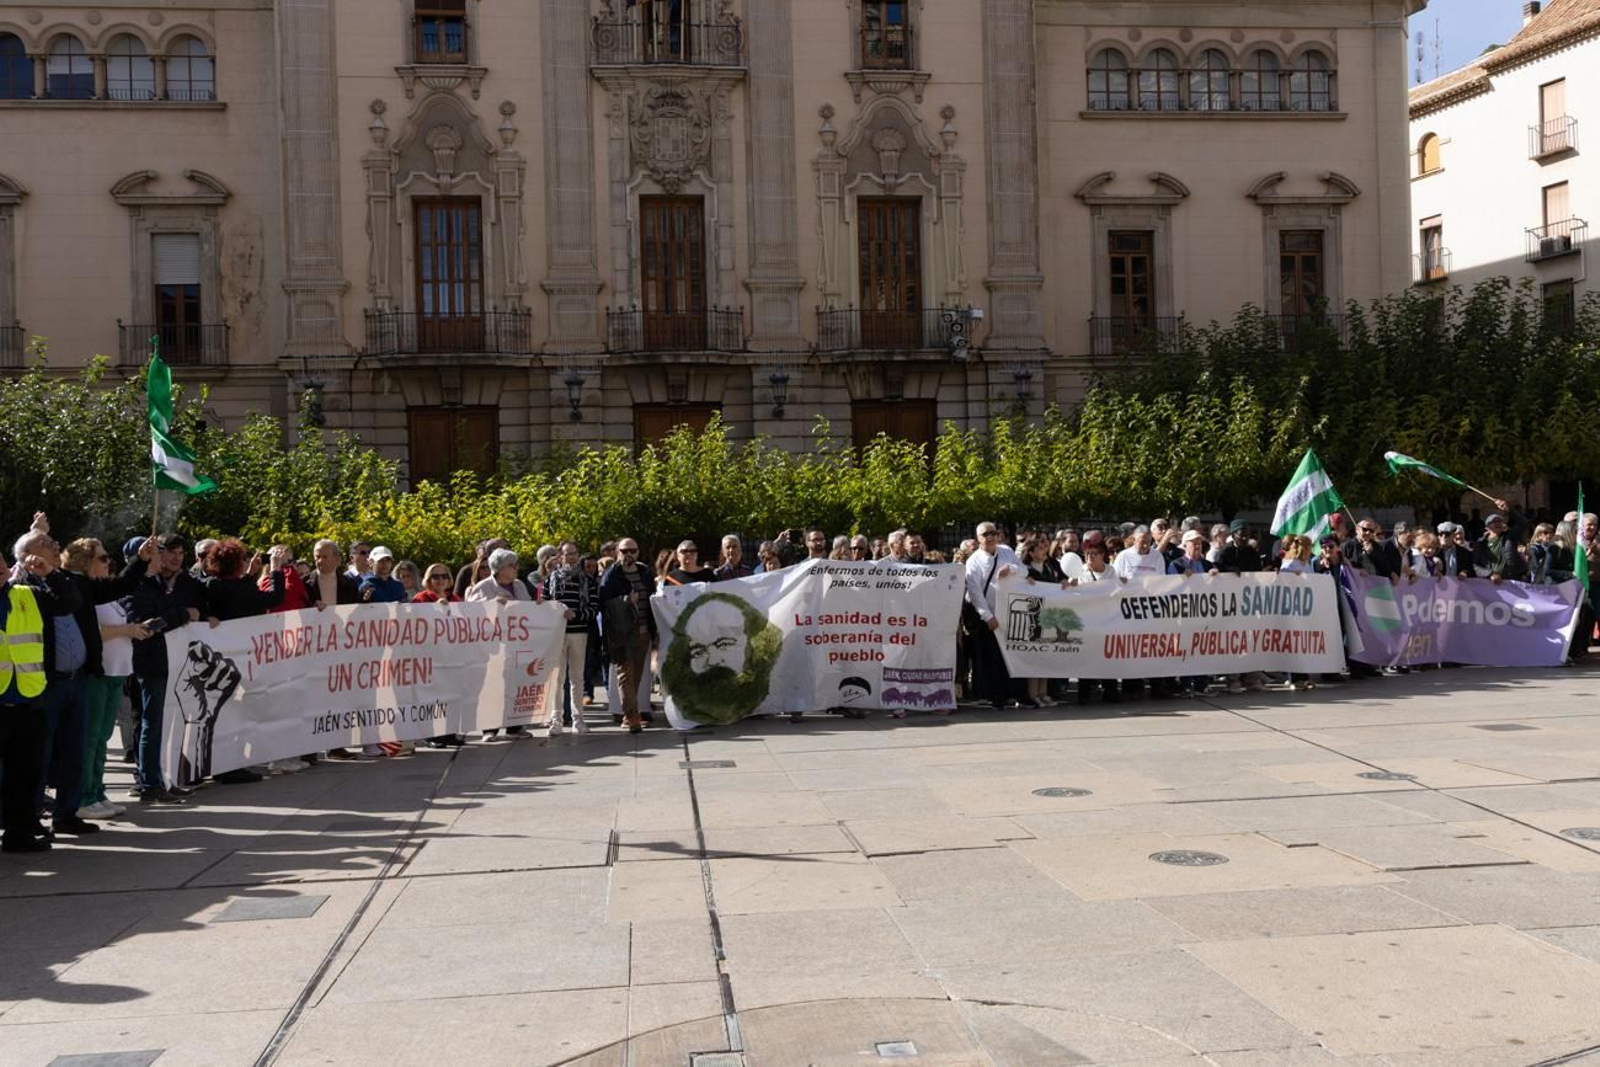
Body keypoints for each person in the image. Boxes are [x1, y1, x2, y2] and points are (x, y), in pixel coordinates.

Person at [62, 536, 152, 820]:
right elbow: (96, 631)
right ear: (85, 561)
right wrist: (126, 630)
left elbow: (120, 585)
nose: (108, 562)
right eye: (102, 558)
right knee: (90, 739)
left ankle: (97, 793)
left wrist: (140, 560)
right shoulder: (74, 585)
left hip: (111, 671)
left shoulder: (90, 588)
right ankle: (84, 796)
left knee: (100, 737)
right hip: (92, 674)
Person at [126, 534, 210, 802]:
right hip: (151, 664)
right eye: (168, 552)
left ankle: (165, 777)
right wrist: (183, 614)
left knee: (169, 724)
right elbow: (147, 626)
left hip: (173, 663)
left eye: (180, 552)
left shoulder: (169, 584)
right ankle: (149, 783)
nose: (174, 558)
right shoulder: (139, 586)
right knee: (152, 723)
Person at [468, 548, 535, 739]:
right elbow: (470, 614)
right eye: (511, 565)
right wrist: (492, 604)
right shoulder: (482, 587)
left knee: (516, 684)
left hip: (517, 645)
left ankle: (515, 727)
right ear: (498, 569)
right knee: (492, 688)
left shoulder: (520, 585)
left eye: (515, 564)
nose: (516, 568)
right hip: (492, 648)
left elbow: (528, 609)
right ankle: (490, 729)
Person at [598, 537, 656, 733]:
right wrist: (625, 601)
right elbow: (603, 603)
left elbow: (653, 599)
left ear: (638, 552)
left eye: (632, 550)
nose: (628, 554)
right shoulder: (611, 575)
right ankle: (631, 717)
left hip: (643, 632)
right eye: (624, 551)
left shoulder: (645, 573)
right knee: (625, 675)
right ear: (617, 552)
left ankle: (629, 714)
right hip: (621, 634)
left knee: (636, 676)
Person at [966, 522, 1025, 708]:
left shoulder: (1007, 551)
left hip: (1008, 612)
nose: (990, 537)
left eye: (993, 533)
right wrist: (987, 616)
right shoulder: (973, 561)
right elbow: (975, 592)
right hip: (987, 614)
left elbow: (1023, 570)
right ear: (978, 538)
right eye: (985, 534)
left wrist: (1011, 569)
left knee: (1006, 657)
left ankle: (1009, 694)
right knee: (988, 657)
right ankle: (992, 696)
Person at [541, 542, 594, 736]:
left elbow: (593, 608)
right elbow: (545, 606)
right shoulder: (550, 580)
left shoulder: (588, 581)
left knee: (577, 678)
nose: (571, 557)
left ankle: (578, 720)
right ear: (560, 556)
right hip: (557, 634)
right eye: (567, 554)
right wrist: (557, 611)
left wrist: (576, 614)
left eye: (574, 554)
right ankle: (556, 720)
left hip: (579, 633)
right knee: (557, 679)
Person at [413, 564, 465, 747]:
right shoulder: (420, 599)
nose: (441, 579)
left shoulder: (456, 599)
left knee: (450, 694)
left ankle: (449, 732)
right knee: (431, 697)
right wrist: (436, 609)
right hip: (430, 656)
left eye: (444, 576)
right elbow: (415, 624)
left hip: (451, 656)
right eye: (435, 576)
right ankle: (431, 735)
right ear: (428, 580)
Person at [1277, 535, 1316, 691]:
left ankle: (1305, 676)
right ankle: (1293, 677)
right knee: (1294, 644)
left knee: (1304, 644)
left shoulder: (1307, 563)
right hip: (1292, 609)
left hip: (1305, 610)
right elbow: (1283, 581)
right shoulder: (1289, 563)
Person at [307, 540, 363, 608]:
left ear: (337, 558)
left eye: (325, 557)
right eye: (318, 557)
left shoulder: (350, 583)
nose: (320, 561)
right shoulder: (305, 584)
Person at [1473, 511, 1526, 583]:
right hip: (1491, 583)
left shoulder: (1509, 536)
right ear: (1487, 527)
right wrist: (1490, 574)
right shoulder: (1480, 544)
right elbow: (1475, 566)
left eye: (1500, 521)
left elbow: (1523, 522)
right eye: (1494, 522)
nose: (1498, 523)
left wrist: (1509, 509)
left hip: (1511, 580)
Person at [260, 544, 311, 612]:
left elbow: (296, 589)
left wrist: (288, 566)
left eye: (289, 560)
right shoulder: (264, 580)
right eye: (277, 558)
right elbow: (282, 596)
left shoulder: (293, 576)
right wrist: (278, 568)